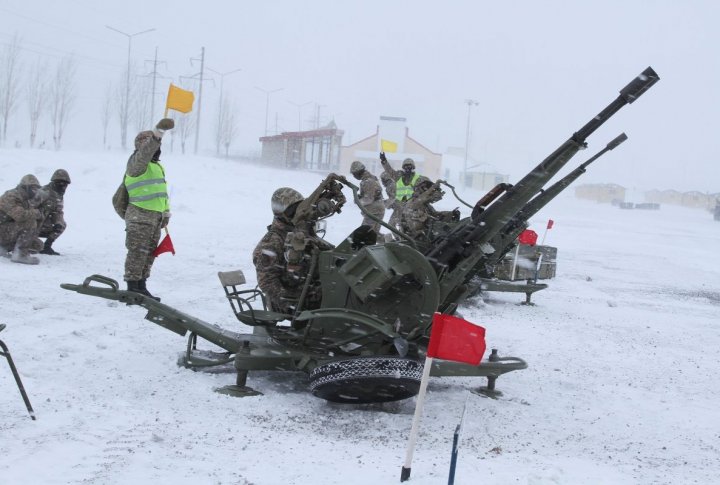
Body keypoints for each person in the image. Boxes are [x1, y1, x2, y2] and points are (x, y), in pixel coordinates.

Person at [253, 175, 344, 315]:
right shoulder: (272, 242)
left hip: (313, 290)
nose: (299, 212)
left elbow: (327, 250)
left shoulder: (299, 231)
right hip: (297, 299)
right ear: (283, 213)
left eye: (299, 207)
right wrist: (290, 305)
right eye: (293, 209)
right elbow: (267, 282)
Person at [123, 118, 174, 300]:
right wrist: (158, 133)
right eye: (152, 146)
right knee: (137, 252)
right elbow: (145, 153)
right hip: (139, 217)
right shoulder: (136, 164)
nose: (156, 149)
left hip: (154, 219)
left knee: (149, 254)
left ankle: (142, 286)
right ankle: (132, 287)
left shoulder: (157, 167)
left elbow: (161, 193)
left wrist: (165, 213)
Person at [0, 174, 44, 264]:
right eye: (33, 188)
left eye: (36, 189)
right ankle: (20, 254)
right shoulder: (11, 196)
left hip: (5, 230)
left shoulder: (25, 199)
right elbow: (20, 215)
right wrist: (36, 213)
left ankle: (2, 249)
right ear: (26, 187)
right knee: (30, 222)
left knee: (37, 245)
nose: (35, 191)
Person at [400, 178, 460, 242]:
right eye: (427, 188)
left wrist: (451, 214)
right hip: (416, 240)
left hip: (427, 237)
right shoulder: (412, 202)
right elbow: (422, 198)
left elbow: (436, 215)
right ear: (420, 189)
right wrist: (434, 187)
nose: (432, 193)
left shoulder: (426, 205)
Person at [379, 153, 421, 232]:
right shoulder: (399, 176)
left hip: (411, 208)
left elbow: (422, 191)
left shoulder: (418, 178)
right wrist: (384, 160)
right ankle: (399, 240)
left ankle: (405, 240)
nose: (407, 168)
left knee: (406, 227)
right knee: (391, 225)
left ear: (413, 167)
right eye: (406, 166)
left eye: (409, 166)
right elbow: (389, 171)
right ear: (403, 167)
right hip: (399, 207)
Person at [36, 169, 71, 255]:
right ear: (55, 182)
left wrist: (58, 222)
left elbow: (58, 211)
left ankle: (46, 246)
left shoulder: (58, 195)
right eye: (60, 183)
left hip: (43, 223)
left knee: (62, 225)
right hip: (35, 222)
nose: (63, 186)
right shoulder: (44, 192)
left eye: (65, 184)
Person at [349, 160, 385, 235]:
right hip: (377, 210)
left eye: (354, 174)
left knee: (363, 234)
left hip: (374, 212)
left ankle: (390, 243)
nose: (354, 176)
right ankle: (390, 242)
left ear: (358, 172)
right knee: (374, 235)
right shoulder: (369, 179)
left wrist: (358, 201)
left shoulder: (368, 181)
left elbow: (369, 199)